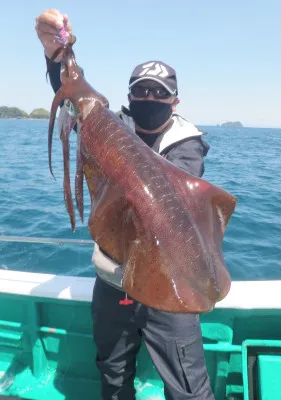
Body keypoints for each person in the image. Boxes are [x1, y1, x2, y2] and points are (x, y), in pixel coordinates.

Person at [35, 9, 214, 400]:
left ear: (175, 100)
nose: (150, 98)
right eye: (142, 91)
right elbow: (75, 105)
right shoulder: (112, 125)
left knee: (189, 387)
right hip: (113, 281)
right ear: (130, 95)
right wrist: (57, 57)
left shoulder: (187, 145)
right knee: (113, 378)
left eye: (159, 93)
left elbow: (153, 183)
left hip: (170, 288)